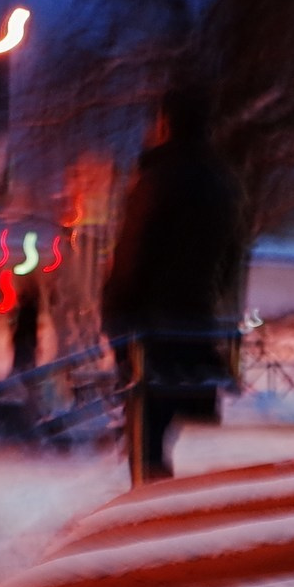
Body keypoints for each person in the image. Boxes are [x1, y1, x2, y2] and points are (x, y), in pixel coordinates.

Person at [101, 83, 247, 480]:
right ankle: (177, 517)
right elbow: (231, 261)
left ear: (165, 122)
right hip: (197, 328)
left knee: (147, 440)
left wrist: (113, 314)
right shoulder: (225, 183)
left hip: (153, 331)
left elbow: (134, 253)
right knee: (186, 436)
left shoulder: (156, 179)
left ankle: (152, 521)